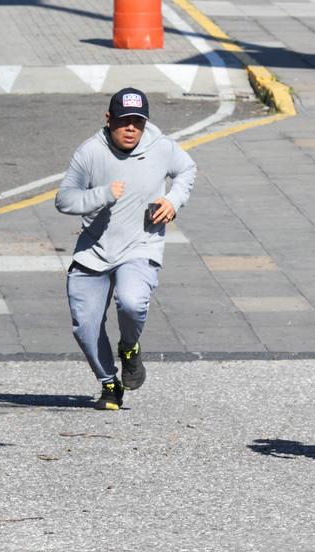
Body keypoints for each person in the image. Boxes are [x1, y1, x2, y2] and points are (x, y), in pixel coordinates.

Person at [55, 87, 196, 410]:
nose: (131, 128)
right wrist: (102, 194)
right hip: (94, 252)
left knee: (132, 303)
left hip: (140, 245)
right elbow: (64, 199)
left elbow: (187, 169)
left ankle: (129, 348)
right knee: (85, 326)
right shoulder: (90, 152)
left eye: (138, 122)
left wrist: (173, 200)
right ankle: (109, 382)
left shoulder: (160, 147)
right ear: (109, 120)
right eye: (123, 121)